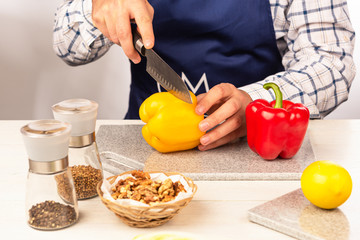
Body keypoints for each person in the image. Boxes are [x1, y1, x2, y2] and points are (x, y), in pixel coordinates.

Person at [53, 0, 355, 151]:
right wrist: (98, 5)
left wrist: (256, 101)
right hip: (145, 147)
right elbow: (66, 46)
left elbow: (332, 63)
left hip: (257, 149)